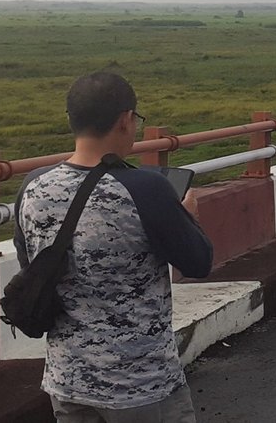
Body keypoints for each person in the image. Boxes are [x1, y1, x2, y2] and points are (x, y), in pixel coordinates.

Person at [14, 72, 214, 422]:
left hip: (68, 382)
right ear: (126, 120)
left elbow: (29, 263)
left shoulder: (33, 186)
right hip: (141, 386)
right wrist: (189, 218)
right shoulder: (146, 188)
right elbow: (198, 263)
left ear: (72, 119)